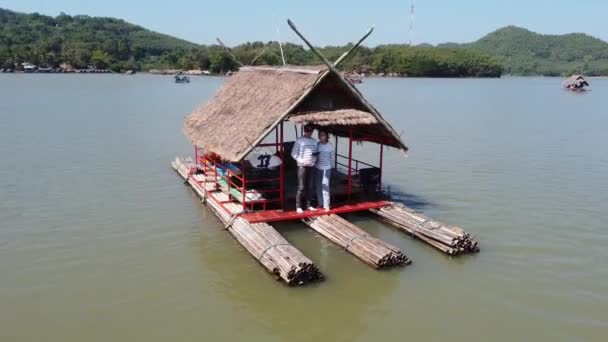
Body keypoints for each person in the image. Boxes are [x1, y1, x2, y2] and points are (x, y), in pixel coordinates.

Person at [291, 124, 318, 213]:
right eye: (307, 130)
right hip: (302, 166)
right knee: (301, 187)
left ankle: (308, 205)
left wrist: (313, 160)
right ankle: (298, 206)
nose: (309, 132)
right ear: (304, 130)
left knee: (310, 187)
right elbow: (293, 154)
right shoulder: (299, 141)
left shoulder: (314, 141)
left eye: (311, 130)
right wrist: (302, 161)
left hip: (311, 166)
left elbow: (315, 153)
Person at [315, 129, 335, 211]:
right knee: (318, 186)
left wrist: (331, 167)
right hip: (318, 167)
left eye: (323, 135)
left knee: (325, 186)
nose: (321, 136)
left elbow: (332, 158)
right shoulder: (317, 145)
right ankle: (320, 203)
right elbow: (315, 155)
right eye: (320, 135)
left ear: (327, 136)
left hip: (326, 168)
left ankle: (327, 205)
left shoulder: (330, 146)